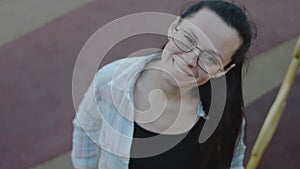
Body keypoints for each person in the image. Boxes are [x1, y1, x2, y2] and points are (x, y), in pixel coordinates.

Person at [71, 1, 256, 169]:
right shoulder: (110, 81)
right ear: (174, 27)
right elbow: (85, 129)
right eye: (189, 39)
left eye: (210, 57)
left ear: (222, 70)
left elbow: (234, 163)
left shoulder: (226, 116)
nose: (191, 59)